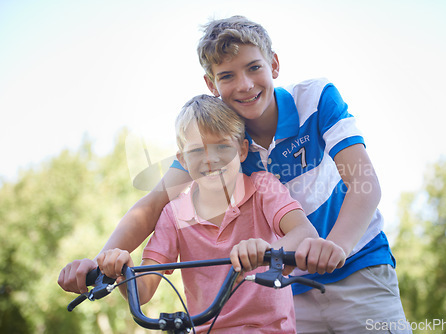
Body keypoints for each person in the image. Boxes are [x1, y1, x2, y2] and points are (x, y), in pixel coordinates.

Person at [59, 16, 410, 333]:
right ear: (212, 84)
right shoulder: (219, 145)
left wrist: (334, 247)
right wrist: (101, 262)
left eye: (254, 67)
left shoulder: (315, 100)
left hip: (357, 263)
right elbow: (152, 207)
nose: (244, 85)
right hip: (286, 286)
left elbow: (365, 185)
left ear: (273, 64)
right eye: (227, 75)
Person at [96, 94, 319, 333]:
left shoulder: (262, 187)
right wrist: (122, 270)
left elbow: (306, 233)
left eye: (222, 146)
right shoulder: (174, 214)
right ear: (182, 160)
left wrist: (265, 250)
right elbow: (143, 292)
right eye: (196, 152)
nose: (210, 160)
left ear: (242, 150)